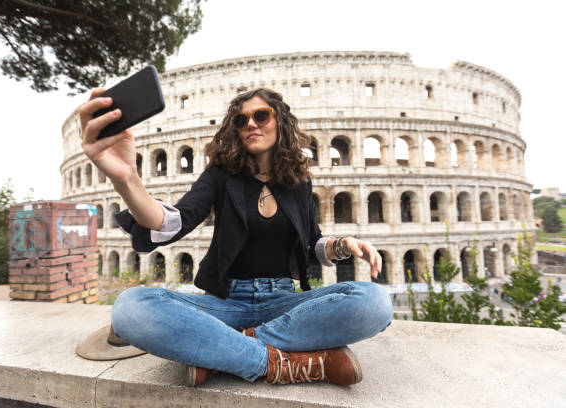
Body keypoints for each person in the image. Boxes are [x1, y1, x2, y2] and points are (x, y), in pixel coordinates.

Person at [79, 87, 393, 387]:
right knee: (130, 308)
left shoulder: (299, 182)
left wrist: (343, 245)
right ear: (234, 129)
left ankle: (225, 352)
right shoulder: (220, 175)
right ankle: (282, 363)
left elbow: (311, 245)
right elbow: (175, 221)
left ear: (279, 122)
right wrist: (127, 178)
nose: (251, 124)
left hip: (285, 302)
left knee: (375, 302)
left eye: (261, 116)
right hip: (225, 305)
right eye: (241, 120)